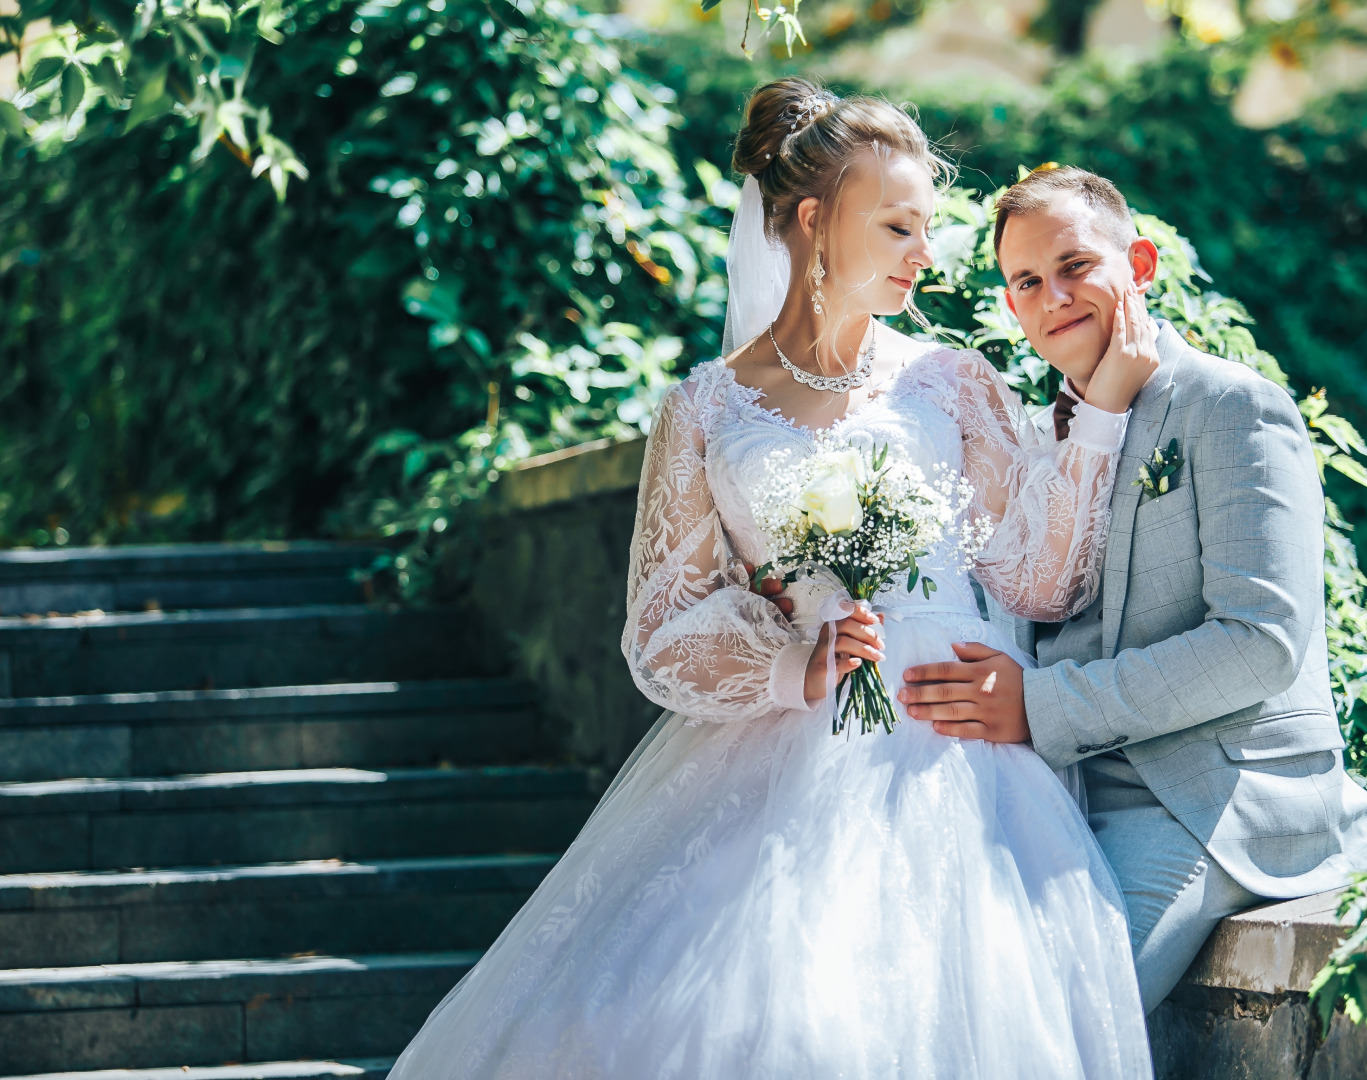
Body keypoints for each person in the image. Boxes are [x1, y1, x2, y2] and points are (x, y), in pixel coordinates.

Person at [386, 83, 1159, 1078]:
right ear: (813, 222)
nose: (926, 254)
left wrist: (1100, 416)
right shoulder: (704, 409)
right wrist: (799, 656)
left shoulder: (952, 381)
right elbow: (660, 629)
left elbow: (1040, 581)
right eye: (899, 225)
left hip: (956, 749)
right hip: (779, 750)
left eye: (929, 226)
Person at [898, 164, 1367, 1013]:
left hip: (1202, 802)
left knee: (1053, 1024)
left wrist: (1040, 705)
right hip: (1057, 798)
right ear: (1012, 307)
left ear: (1139, 264)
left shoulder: (1232, 406)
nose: (1053, 296)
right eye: (1027, 281)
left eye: (1074, 266)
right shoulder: (1032, 436)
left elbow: (1261, 642)